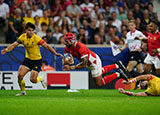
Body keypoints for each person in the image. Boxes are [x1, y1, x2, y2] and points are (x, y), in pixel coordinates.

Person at [1, 23, 63, 96]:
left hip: (37, 61)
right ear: (26, 30)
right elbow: (14, 45)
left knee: (33, 80)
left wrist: (55, 53)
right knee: (20, 76)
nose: (31, 32)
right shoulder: (22, 37)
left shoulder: (36, 38)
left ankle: (40, 78)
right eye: (29, 30)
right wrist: (7, 50)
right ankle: (23, 92)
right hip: (28, 59)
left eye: (32, 30)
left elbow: (47, 46)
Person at [62, 33, 128, 87]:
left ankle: (118, 73)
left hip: (93, 62)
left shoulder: (81, 48)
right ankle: (117, 65)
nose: (65, 43)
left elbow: (84, 64)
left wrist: (71, 67)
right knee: (100, 71)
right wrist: (66, 63)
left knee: (99, 83)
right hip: (89, 63)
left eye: (66, 41)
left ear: (72, 41)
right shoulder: (67, 48)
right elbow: (67, 59)